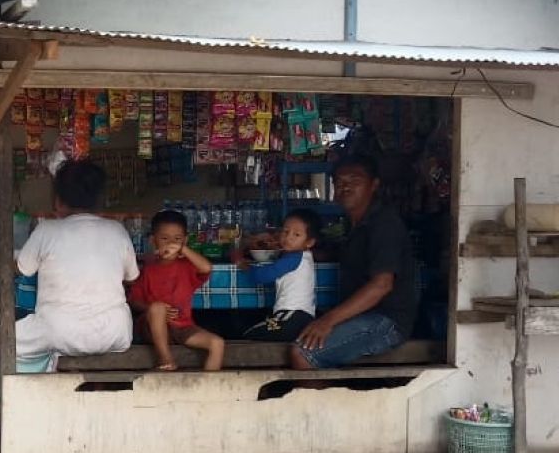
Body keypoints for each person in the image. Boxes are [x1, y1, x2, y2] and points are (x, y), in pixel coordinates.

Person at [0, 160, 140, 404]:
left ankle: (5, 415)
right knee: (51, 344)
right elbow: (132, 277)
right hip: (115, 333)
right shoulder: (117, 231)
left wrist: (14, 257)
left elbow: (20, 269)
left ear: (58, 201)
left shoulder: (47, 230)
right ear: (99, 200)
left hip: (59, 331)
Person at [293, 155, 418, 369]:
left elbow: (382, 285)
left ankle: (329, 402)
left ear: (374, 185)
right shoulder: (356, 224)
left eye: (355, 181)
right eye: (340, 182)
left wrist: (328, 320)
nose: (346, 187)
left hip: (387, 322)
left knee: (303, 352)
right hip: (365, 316)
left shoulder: (384, 224)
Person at [128, 210, 224, 371]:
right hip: (153, 328)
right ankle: (166, 359)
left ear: (185, 241)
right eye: (164, 239)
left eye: (177, 239)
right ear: (153, 241)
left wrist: (183, 250)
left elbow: (207, 267)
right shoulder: (148, 270)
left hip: (183, 327)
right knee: (158, 308)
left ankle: (207, 389)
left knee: (217, 343)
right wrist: (152, 309)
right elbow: (133, 301)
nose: (171, 243)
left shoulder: (188, 266)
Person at [237, 209, 320, 342]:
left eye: (296, 235)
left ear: (309, 242)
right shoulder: (303, 256)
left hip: (292, 318)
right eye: (285, 232)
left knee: (248, 334)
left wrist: (245, 266)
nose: (288, 238)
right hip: (300, 318)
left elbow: (261, 277)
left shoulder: (293, 258)